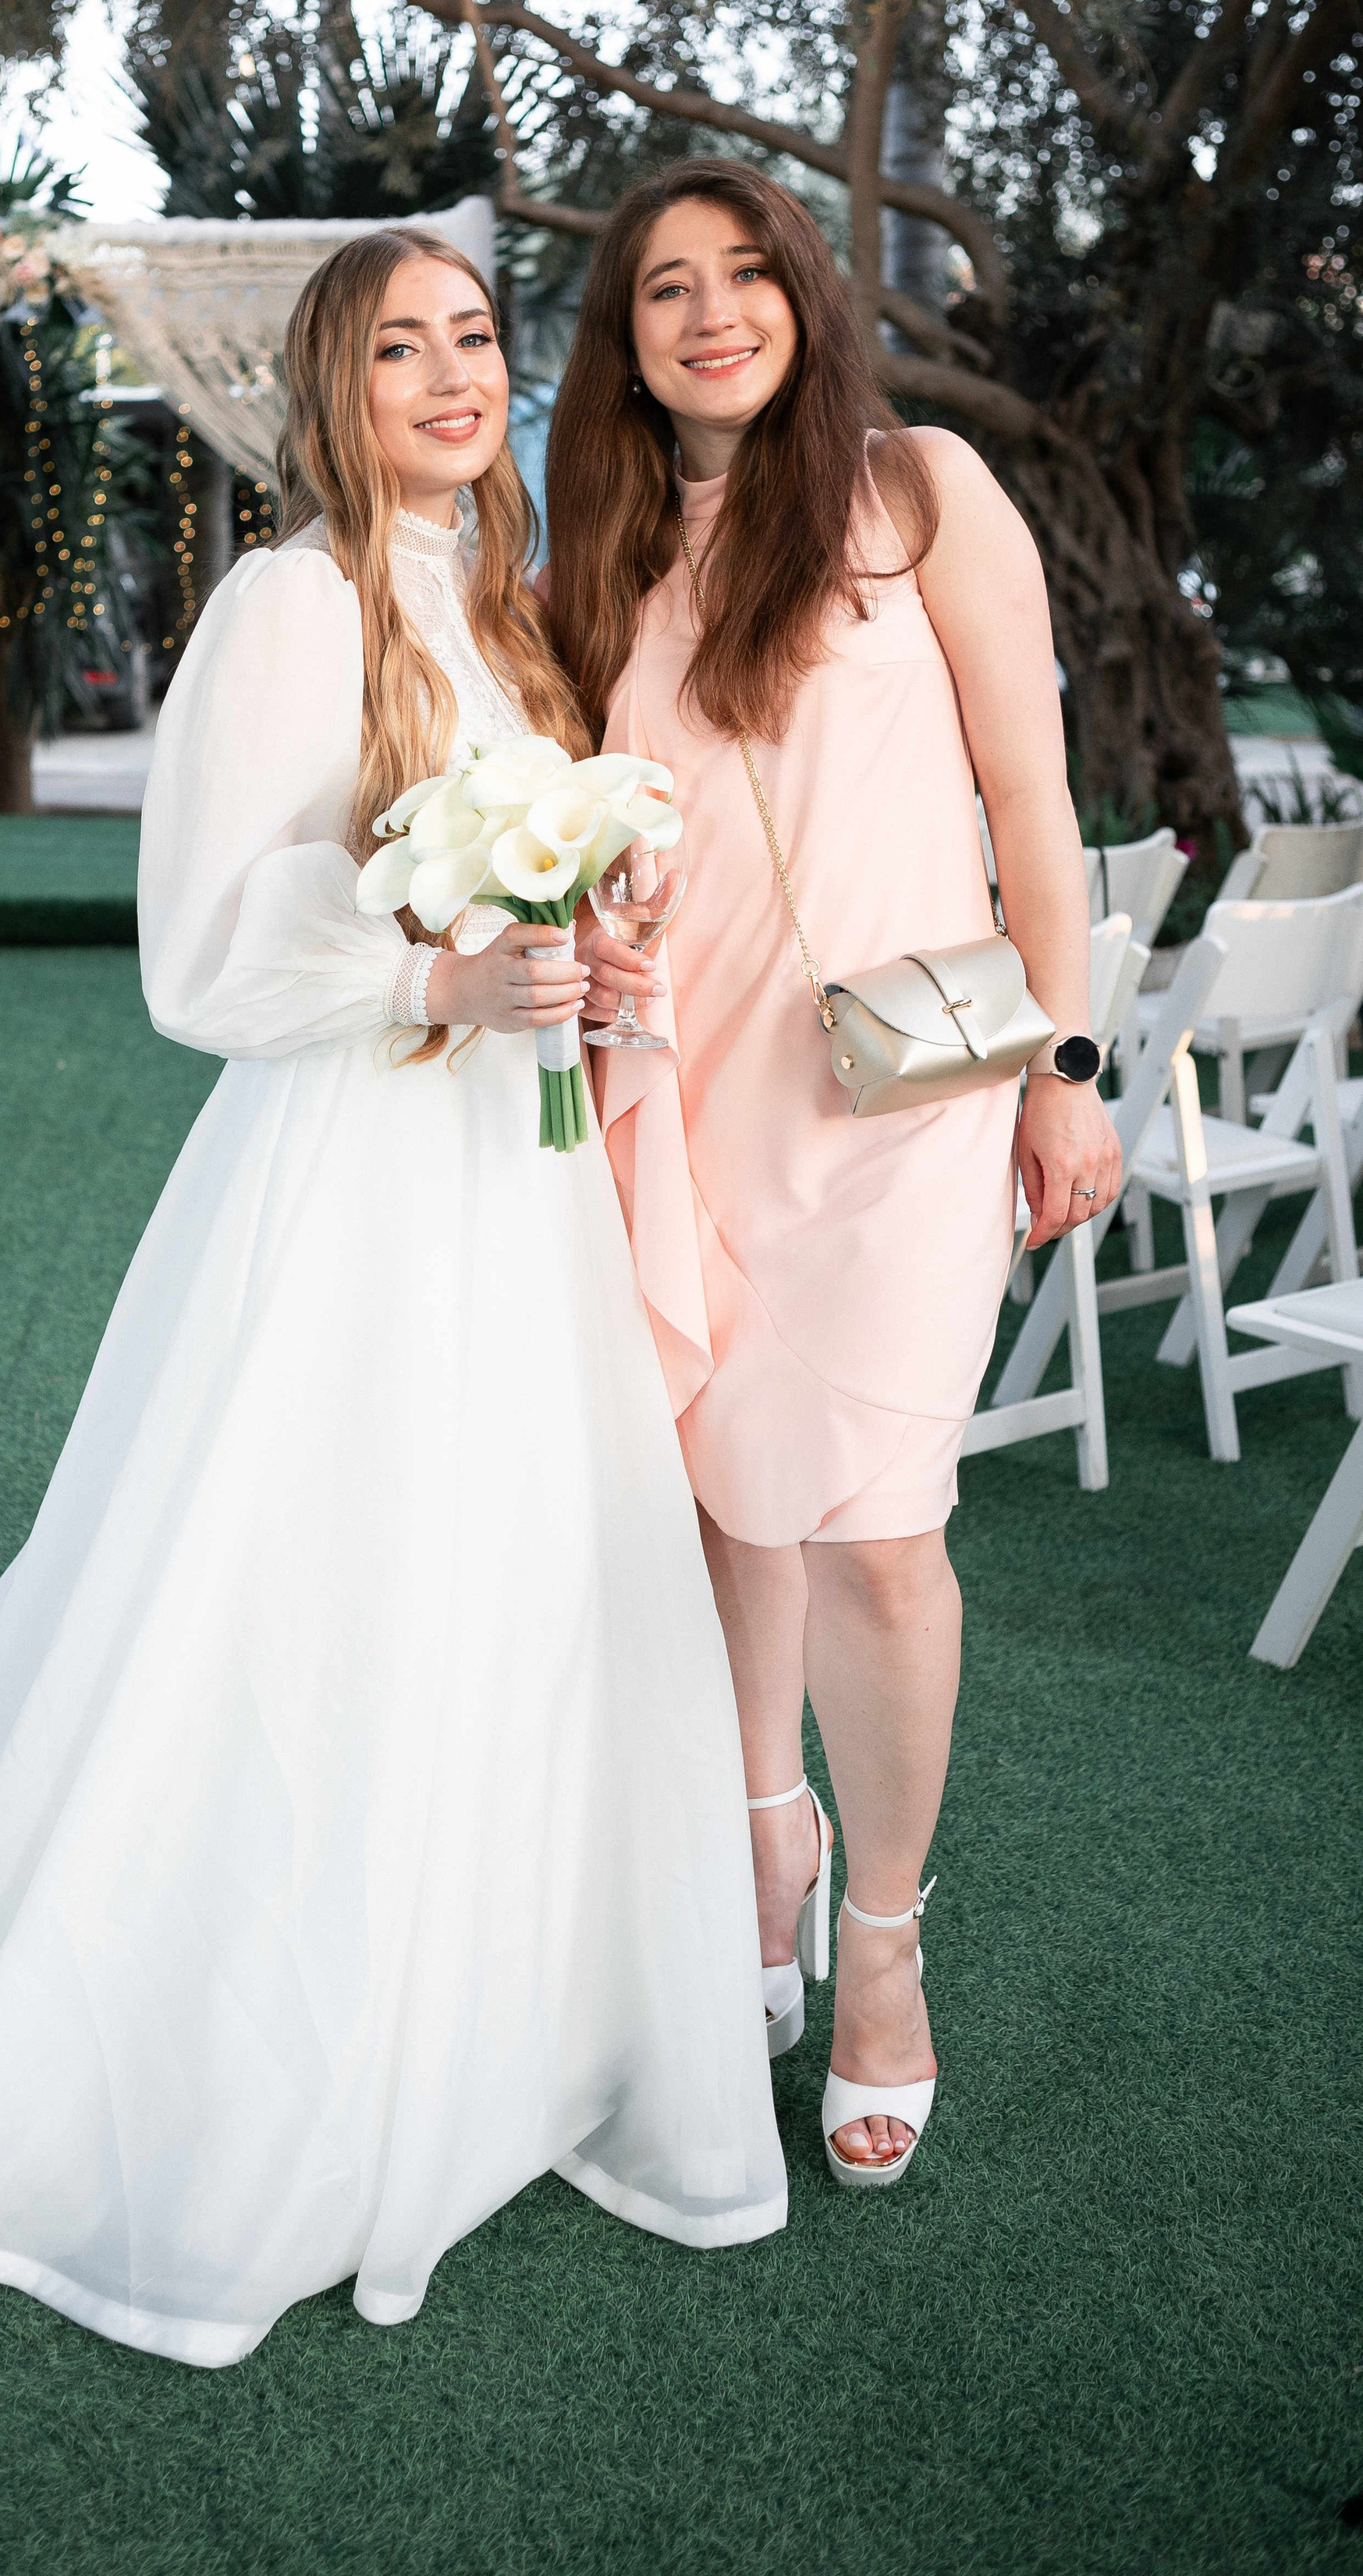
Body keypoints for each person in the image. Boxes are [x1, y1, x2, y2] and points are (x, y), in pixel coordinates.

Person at [0, 226, 786, 2367]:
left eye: (473, 337)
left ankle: (503, 2023)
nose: (443, 373)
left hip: (520, 1194)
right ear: (332, 387)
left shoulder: (508, 612)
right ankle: (271, 2035)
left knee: (520, 1582)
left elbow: (539, 885)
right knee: (322, 1580)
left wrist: (580, 952)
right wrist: (433, 969)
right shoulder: (285, 601)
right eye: (394, 345)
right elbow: (199, 960)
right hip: (350, 1179)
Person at [546, 161, 1121, 2189]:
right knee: (730, 1511)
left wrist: (1068, 1062)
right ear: (625, 342)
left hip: (909, 1108)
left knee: (880, 1534)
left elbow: (1037, 800)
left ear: (805, 291)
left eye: (745, 275)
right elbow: (591, 830)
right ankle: (757, 1839)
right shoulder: (607, 553)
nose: (713, 315)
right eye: (665, 291)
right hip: (688, 1097)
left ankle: (881, 1943)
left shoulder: (924, 492)